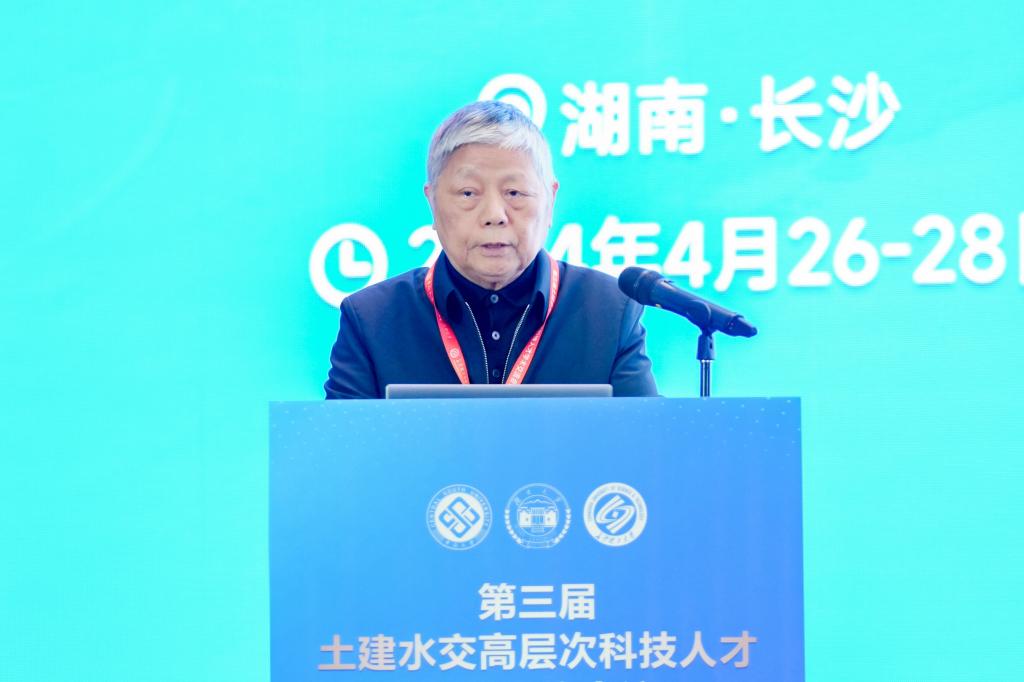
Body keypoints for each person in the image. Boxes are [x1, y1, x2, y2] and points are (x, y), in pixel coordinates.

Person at [324, 100, 658, 398]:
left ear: (550, 200)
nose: (494, 215)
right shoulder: (371, 320)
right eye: (468, 193)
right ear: (432, 202)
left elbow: (647, 443)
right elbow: (340, 447)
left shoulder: (609, 312)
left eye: (514, 193)